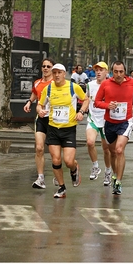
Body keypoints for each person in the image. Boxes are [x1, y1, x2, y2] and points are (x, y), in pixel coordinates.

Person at [37, 63, 89, 198]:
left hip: (69, 129)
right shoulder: (48, 89)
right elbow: (39, 104)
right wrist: (40, 111)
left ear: (64, 74)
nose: (56, 75)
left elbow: (86, 99)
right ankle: (62, 187)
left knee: (68, 161)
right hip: (53, 128)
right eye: (54, 73)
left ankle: (74, 168)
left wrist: (81, 112)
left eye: (59, 72)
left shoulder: (73, 87)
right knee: (56, 160)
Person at [94, 60, 133, 195]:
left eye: (121, 71)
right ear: (112, 72)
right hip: (109, 122)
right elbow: (97, 102)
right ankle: (115, 174)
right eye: (116, 71)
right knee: (113, 152)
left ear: (125, 71)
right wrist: (107, 106)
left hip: (126, 121)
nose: (118, 74)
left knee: (119, 149)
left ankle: (118, 182)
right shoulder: (106, 84)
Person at [24, 58, 55, 189]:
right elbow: (34, 94)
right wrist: (29, 102)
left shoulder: (57, 83)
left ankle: (57, 175)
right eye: (44, 66)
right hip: (41, 118)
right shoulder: (37, 83)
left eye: (48, 66)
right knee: (39, 148)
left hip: (55, 120)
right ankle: (40, 178)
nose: (46, 68)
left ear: (53, 68)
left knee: (55, 152)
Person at [85, 61, 113, 184]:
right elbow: (87, 99)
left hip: (106, 120)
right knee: (90, 142)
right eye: (96, 70)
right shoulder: (90, 85)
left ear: (106, 72)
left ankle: (108, 171)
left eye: (101, 70)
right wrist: (81, 111)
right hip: (93, 119)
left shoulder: (111, 85)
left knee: (106, 149)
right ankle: (95, 166)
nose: (98, 72)